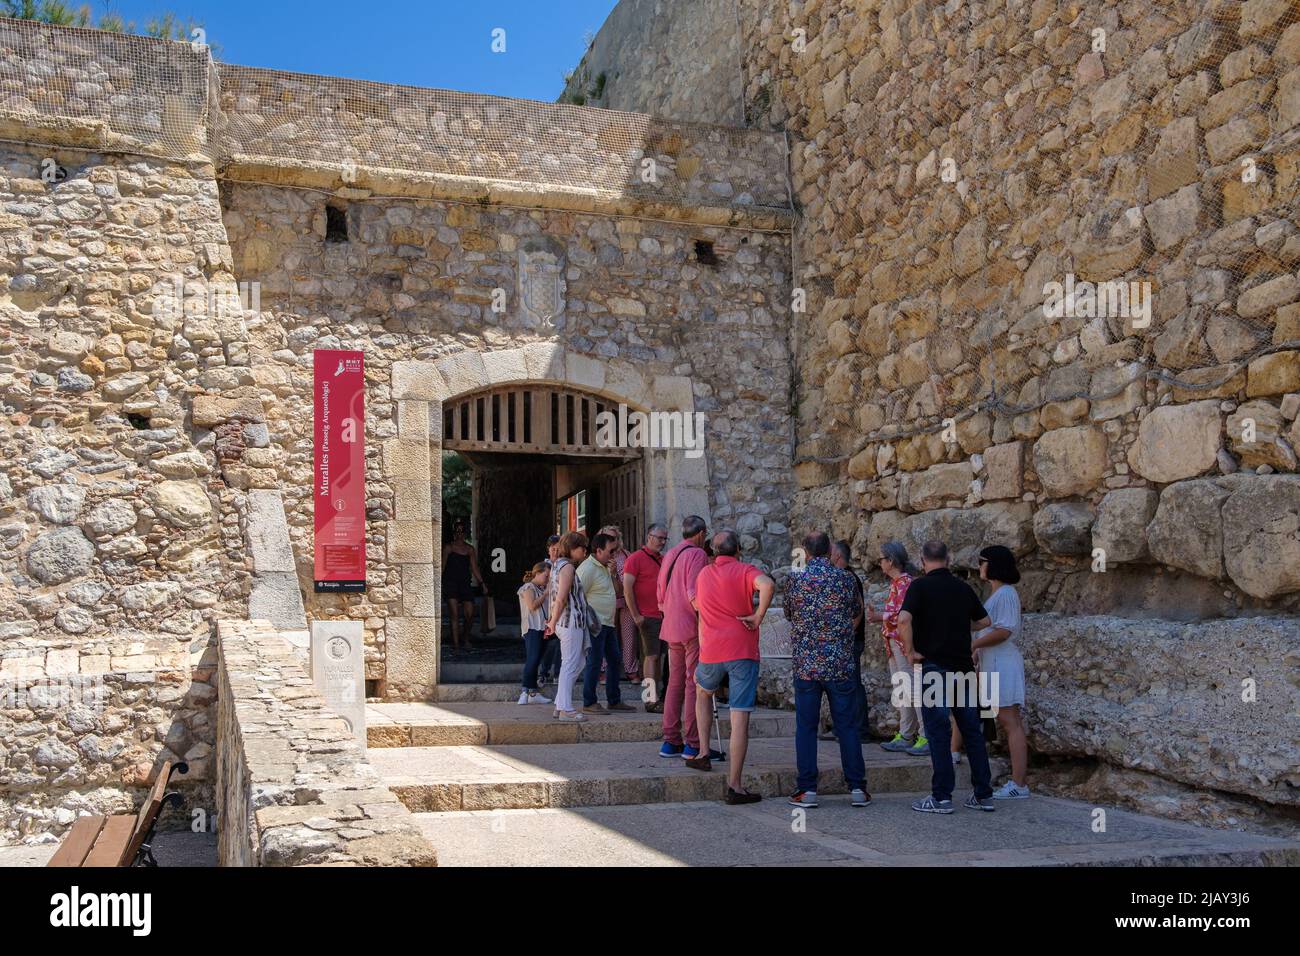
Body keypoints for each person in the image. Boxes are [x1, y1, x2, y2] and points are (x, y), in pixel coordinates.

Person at [897, 540, 995, 814]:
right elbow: (985, 622)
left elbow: (903, 619)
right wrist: (959, 623)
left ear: (922, 559)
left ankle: (941, 797)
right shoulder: (962, 588)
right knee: (972, 731)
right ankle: (983, 794)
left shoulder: (919, 587)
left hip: (934, 668)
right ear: (949, 558)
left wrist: (910, 650)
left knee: (938, 733)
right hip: (962, 668)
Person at [687, 530, 773, 804]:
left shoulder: (703, 575)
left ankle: (702, 752)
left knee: (702, 691)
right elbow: (768, 585)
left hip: (711, 649)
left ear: (713, 551)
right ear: (738, 550)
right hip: (742, 650)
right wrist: (758, 616)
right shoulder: (745, 570)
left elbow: (698, 605)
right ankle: (735, 784)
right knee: (739, 719)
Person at [785, 533, 870, 809]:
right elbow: (857, 609)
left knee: (806, 727)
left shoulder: (796, 579)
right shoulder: (845, 579)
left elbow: (789, 612)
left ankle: (807, 789)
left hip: (807, 665)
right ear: (829, 551)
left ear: (806, 552)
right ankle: (857, 787)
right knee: (847, 726)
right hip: (839, 664)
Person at [972, 544, 1030, 799]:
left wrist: (974, 644)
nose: (979, 566)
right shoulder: (997, 593)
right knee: (1004, 721)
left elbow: (1004, 630)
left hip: (1002, 662)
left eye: (982, 561)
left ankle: (1019, 784)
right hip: (993, 662)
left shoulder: (1005, 594)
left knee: (1010, 721)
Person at [655, 515, 709, 758]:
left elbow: (660, 592)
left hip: (670, 625)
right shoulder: (697, 554)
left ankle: (670, 739)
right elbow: (693, 592)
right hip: (689, 626)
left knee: (674, 683)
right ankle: (693, 741)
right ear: (701, 533)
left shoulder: (671, 554)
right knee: (691, 683)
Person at [869, 541, 923, 755]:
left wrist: (879, 616)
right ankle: (906, 733)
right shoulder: (897, 583)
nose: (880, 563)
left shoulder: (905, 583)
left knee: (911, 687)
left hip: (903, 643)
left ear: (890, 561)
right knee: (903, 689)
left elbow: (903, 615)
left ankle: (924, 734)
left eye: (881, 559)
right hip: (894, 643)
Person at [579, 532, 634, 714]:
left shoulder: (605, 567)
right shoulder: (587, 569)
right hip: (595, 624)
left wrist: (613, 574)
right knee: (594, 662)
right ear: (599, 550)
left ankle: (614, 699)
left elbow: (618, 591)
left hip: (608, 623)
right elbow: (578, 597)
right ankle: (589, 702)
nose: (614, 555)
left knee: (614, 659)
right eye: (611, 551)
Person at [543, 531, 592, 722]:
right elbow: (561, 597)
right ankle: (565, 708)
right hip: (570, 621)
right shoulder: (568, 568)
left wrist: (553, 621)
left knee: (574, 663)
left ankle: (560, 704)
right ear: (573, 549)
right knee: (571, 664)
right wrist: (553, 622)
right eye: (582, 548)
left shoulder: (557, 565)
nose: (585, 552)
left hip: (568, 621)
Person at [623, 524, 669, 713]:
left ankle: (656, 696)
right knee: (651, 657)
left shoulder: (664, 559)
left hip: (663, 615)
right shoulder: (635, 559)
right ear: (649, 537)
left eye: (665, 539)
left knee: (659, 657)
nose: (663, 542)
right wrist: (636, 615)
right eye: (660, 538)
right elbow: (627, 588)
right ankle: (649, 700)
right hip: (647, 616)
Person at [831, 539, 869, 739]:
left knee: (853, 684)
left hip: (850, 641)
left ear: (837, 556)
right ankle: (842, 727)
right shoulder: (843, 576)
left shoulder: (848, 577)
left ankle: (861, 730)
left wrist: (845, 635)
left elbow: (858, 610)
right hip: (844, 640)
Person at [601, 525, 641, 684]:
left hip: (625, 601)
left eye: (614, 538)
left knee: (628, 635)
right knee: (606, 636)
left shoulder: (627, 556)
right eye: (608, 538)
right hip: (605, 603)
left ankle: (631, 670)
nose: (612, 541)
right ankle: (603, 669)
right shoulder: (598, 556)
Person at [442, 521, 486, 650]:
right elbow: (443, 566)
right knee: (454, 614)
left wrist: (482, 583)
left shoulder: (469, 549)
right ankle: (456, 644)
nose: (459, 534)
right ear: (454, 533)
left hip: (465, 584)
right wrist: (438, 582)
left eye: (462, 531)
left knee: (470, 614)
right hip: (450, 584)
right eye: (457, 531)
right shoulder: (448, 548)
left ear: (465, 533)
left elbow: (474, 568)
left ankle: (465, 637)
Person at [516, 563, 553, 705]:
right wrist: (545, 594)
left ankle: (533, 692)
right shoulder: (528, 588)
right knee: (532, 659)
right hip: (532, 628)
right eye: (546, 575)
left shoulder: (541, 588)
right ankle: (525, 691)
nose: (547, 579)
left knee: (537, 659)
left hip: (542, 628)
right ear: (537, 573)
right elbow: (532, 606)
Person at [539, 535, 563, 683]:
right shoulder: (542, 566)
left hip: (560, 610)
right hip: (546, 610)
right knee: (548, 643)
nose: (555, 551)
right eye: (552, 548)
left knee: (560, 643)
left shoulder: (563, 565)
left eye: (557, 549)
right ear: (548, 550)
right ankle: (544, 671)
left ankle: (558, 674)